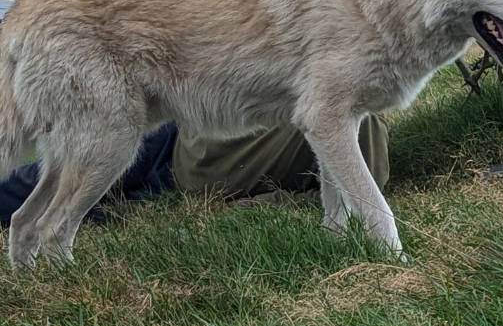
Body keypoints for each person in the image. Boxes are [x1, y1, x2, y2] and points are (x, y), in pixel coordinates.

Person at [0, 117, 389, 227]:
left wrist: (267, 202)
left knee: (72, 193)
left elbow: (346, 203)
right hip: (178, 128)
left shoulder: (364, 134)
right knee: (45, 178)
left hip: (187, 173)